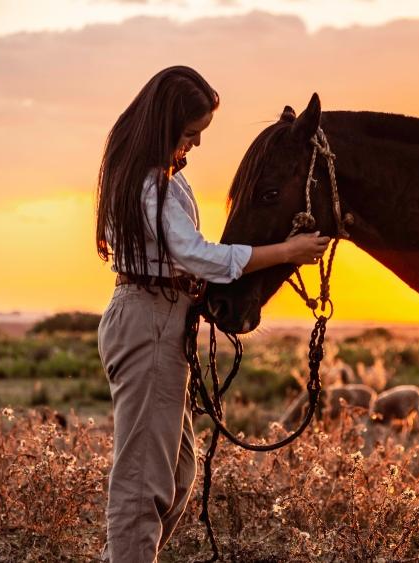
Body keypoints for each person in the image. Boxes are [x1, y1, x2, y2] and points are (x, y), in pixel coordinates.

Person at [94, 65, 329, 562]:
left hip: (162, 317)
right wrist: (285, 252)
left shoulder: (160, 181)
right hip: (148, 320)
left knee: (177, 474)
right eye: (189, 133)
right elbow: (198, 254)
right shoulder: (147, 184)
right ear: (165, 126)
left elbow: (186, 258)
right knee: (143, 480)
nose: (196, 144)